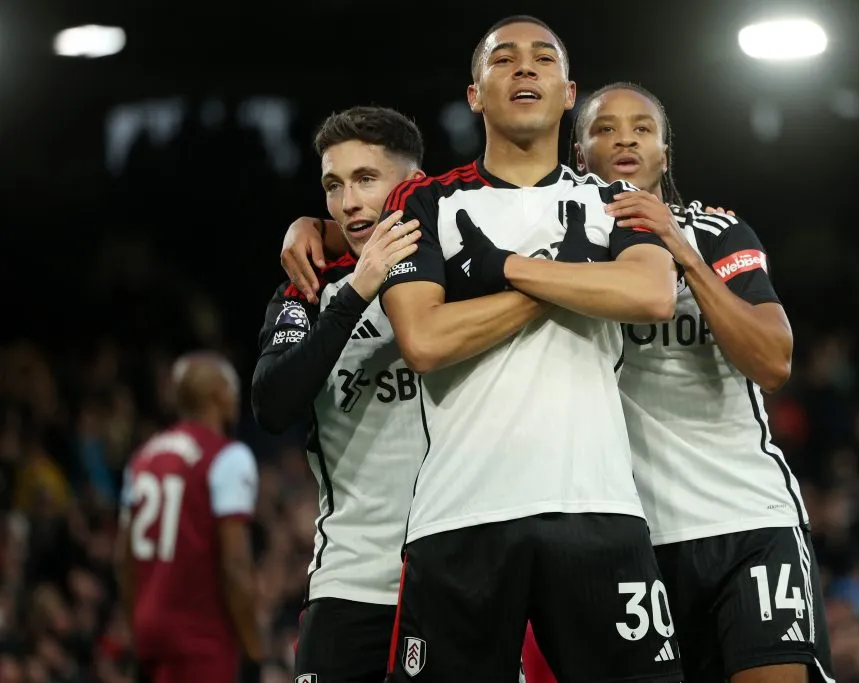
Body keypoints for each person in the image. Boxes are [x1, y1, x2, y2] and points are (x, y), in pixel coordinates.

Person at [370, 15, 682, 683]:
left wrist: (505, 266)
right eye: (504, 58)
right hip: (462, 514)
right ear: (475, 94)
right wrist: (573, 282)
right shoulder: (424, 201)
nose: (524, 68)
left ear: (569, 94)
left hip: (598, 507)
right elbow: (425, 339)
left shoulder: (614, 199)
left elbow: (652, 294)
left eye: (543, 58)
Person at [525, 82, 835, 683]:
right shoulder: (558, 248)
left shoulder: (717, 232)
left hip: (748, 518)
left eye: (642, 128)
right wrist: (314, 229)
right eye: (605, 127)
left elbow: (772, 361)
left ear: (665, 154)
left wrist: (679, 250)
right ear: (578, 156)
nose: (625, 138)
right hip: (631, 537)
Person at [250, 106, 426, 683]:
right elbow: (272, 404)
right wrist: (355, 291)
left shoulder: (457, 267)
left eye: (365, 179)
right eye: (333, 185)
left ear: (412, 182)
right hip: (350, 582)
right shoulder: (307, 288)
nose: (348, 201)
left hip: (456, 573)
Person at [115, 352, 262, 683]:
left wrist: (135, 628)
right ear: (218, 396)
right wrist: (253, 649)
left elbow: (123, 561)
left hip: (149, 634)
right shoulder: (228, 457)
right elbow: (235, 565)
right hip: (201, 637)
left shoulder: (142, 458)